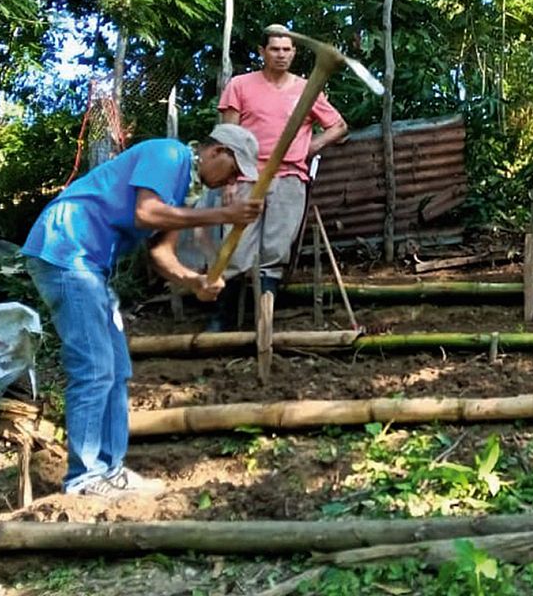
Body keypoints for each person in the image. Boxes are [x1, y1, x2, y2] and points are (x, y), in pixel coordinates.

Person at [22, 125, 265, 497]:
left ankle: (110, 469)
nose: (231, 181)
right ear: (216, 151)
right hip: (66, 249)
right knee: (94, 366)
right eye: (233, 170)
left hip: (88, 265)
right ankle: (85, 477)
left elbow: (159, 253)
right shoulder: (167, 153)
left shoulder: (183, 188)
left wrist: (194, 281)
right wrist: (222, 216)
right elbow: (147, 214)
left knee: (117, 367)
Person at [210, 28, 348, 330]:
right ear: (262, 52)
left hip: (289, 178)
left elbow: (338, 126)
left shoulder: (306, 88)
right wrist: (229, 182)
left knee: (274, 251)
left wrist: (310, 147)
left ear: (294, 52)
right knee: (236, 248)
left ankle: (264, 323)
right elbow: (228, 138)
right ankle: (223, 320)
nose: (281, 55)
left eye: (287, 49)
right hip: (247, 176)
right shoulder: (240, 85)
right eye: (275, 49)